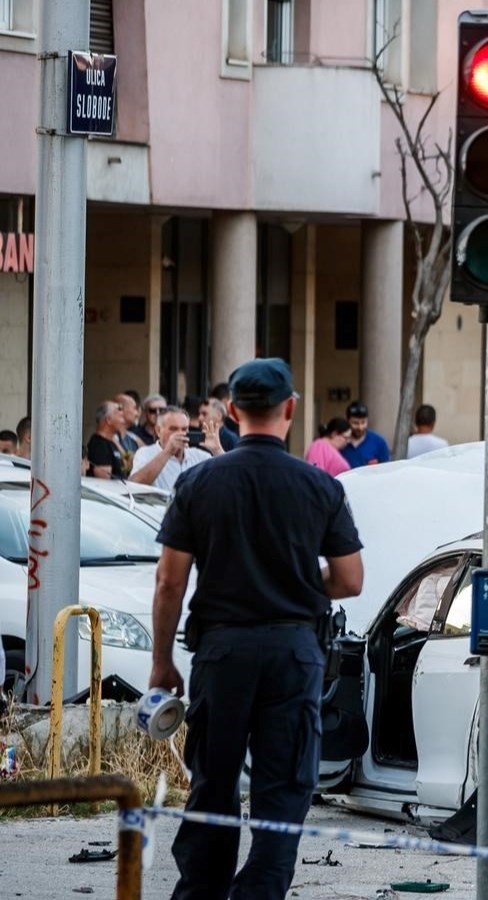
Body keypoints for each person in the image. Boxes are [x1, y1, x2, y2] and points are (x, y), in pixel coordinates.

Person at [146, 357, 364, 900]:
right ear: (290, 409)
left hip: (223, 652)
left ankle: (200, 893)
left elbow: (169, 583)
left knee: (213, 784)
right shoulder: (319, 486)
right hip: (294, 653)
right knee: (283, 791)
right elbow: (350, 580)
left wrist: (161, 661)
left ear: (233, 411)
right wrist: (296, 579)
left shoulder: (199, 483)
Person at [130, 407, 219, 490]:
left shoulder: (199, 456)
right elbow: (134, 485)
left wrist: (217, 450)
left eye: (184, 429)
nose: (180, 433)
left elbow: (228, 477)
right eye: (173, 429)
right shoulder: (145, 453)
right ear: (158, 431)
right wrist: (167, 452)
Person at [339, 401, 391, 468]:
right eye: (355, 423)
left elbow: (385, 470)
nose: (360, 427)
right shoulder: (340, 442)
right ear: (347, 421)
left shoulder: (379, 443)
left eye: (363, 422)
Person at [86, 402, 128, 479]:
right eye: (118, 412)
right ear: (108, 419)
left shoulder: (112, 442)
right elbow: (104, 479)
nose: (123, 420)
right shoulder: (99, 444)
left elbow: (128, 464)